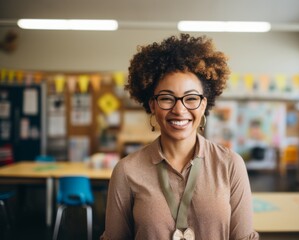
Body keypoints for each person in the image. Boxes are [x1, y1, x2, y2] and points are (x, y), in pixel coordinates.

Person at [101, 34, 259, 240]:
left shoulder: (230, 165)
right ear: (152, 105)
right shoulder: (127, 171)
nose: (179, 109)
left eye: (191, 98)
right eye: (167, 98)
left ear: (203, 105)